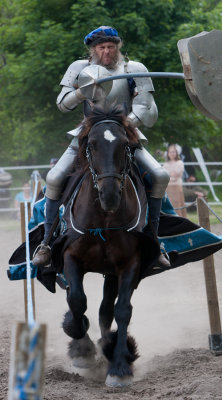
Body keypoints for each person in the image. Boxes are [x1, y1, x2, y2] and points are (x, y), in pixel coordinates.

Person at [33, 25, 170, 268]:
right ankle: (45, 243)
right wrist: (83, 92)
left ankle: (154, 240)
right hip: (87, 137)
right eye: (101, 47)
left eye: (111, 46)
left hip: (125, 136)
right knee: (54, 178)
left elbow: (145, 106)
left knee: (160, 175)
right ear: (93, 49)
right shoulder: (79, 68)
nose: (106, 51)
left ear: (118, 47)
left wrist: (122, 126)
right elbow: (63, 104)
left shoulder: (134, 69)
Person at [163, 144, 187, 218]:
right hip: (167, 187)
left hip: (176, 187)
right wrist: (170, 175)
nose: (172, 154)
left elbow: (176, 175)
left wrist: (169, 175)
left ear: (176, 153)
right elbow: (165, 175)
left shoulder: (180, 163)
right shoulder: (165, 164)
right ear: (168, 153)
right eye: (170, 152)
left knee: (178, 204)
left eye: (173, 152)